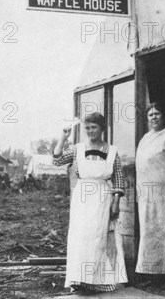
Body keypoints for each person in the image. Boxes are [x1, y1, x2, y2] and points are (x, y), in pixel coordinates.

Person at [52, 112, 127, 293]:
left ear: (102, 128)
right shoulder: (77, 149)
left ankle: (96, 281)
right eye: (87, 128)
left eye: (94, 127)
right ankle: (78, 280)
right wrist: (63, 137)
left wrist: (115, 202)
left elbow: (118, 179)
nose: (90, 131)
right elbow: (57, 160)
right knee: (79, 238)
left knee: (97, 237)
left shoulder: (112, 151)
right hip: (81, 199)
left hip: (102, 198)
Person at [135, 103, 165, 287]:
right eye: (150, 114)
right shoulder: (145, 139)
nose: (154, 117)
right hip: (146, 195)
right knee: (150, 233)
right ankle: (153, 274)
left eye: (157, 113)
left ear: (164, 116)